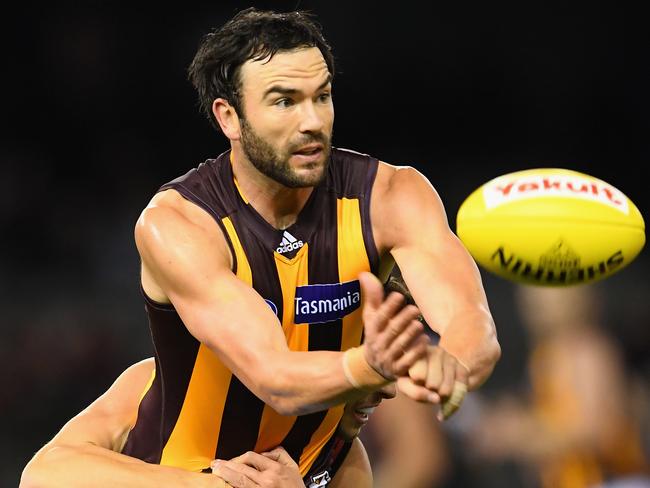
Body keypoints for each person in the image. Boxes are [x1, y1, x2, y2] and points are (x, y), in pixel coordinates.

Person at [127, 6, 500, 479]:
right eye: (284, 101)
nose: (313, 122)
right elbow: (274, 379)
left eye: (321, 97)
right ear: (230, 118)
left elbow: (473, 324)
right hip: (190, 478)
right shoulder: (180, 224)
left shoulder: (391, 196)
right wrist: (372, 366)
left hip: (313, 475)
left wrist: (450, 365)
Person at [21, 357, 395, 487]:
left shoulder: (342, 459)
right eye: (370, 364)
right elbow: (45, 474)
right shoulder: (162, 385)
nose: (391, 390)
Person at [468, 285, 649, 488]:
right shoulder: (545, 356)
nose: (539, 299)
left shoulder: (588, 349)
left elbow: (599, 430)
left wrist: (522, 433)